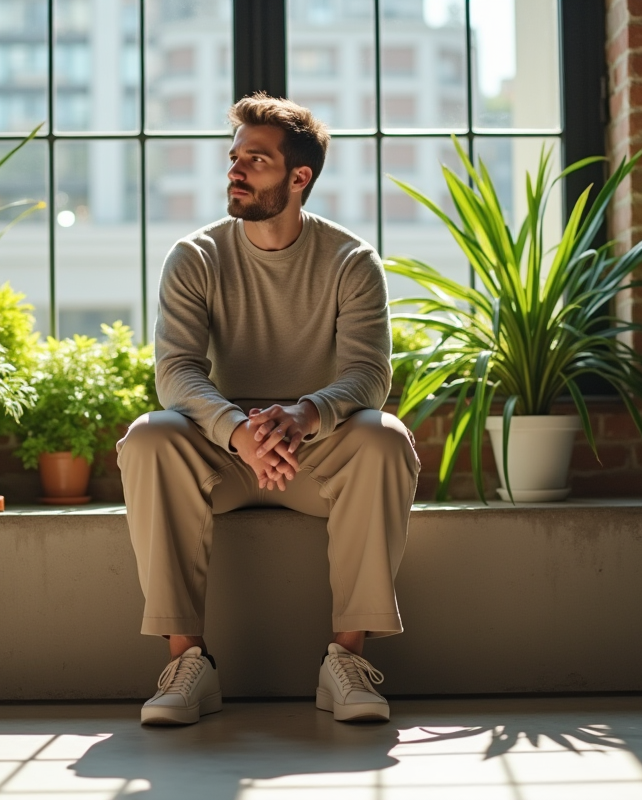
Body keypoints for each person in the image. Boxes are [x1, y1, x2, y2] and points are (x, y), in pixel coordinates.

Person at [117, 93, 420, 726]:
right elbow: (175, 372)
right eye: (234, 158)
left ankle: (347, 660)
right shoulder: (195, 256)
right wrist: (237, 432)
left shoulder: (352, 261)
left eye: (255, 160)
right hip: (224, 458)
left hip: (314, 456)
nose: (235, 170)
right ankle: (187, 664)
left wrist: (304, 415)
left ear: (298, 177)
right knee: (149, 435)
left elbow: (369, 375)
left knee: (385, 437)